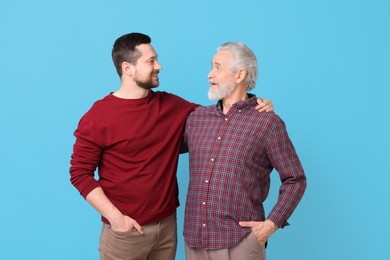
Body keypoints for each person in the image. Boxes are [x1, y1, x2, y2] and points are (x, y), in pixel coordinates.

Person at [69, 33, 273, 260]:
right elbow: (79, 172)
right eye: (150, 61)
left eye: (156, 59)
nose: (159, 66)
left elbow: (221, 118)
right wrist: (116, 218)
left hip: (167, 230)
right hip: (124, 233)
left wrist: (254, 103)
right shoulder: (99, 115)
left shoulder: (171, 105)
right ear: (128, 68)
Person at [182, 42, 307, 260]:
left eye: (218, 67)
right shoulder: (196, 118)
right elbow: (160, 149)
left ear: (240, 75)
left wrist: (271, 224)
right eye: (211, 66)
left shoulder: (267, 122)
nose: (210, 74)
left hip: (239, 243)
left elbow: (295, 179)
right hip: (195, 243)